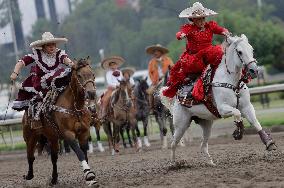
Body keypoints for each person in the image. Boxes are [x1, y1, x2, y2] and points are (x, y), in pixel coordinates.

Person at [162, 2, 230, 101]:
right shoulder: (189, 28)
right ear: (193, 19)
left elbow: (220, 29)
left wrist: (225, 31)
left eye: (203, 18)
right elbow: (181, 33)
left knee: (220, 53)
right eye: (199, 19)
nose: (202, 21)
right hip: (195, 59)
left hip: (209, 55)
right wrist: (181, 35)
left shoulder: (210, 26)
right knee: (216, 52)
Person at [10, 32, 74, 126]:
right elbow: (21, 62)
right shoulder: (37, 55)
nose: (52, 47)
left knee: (67, 78)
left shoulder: (59, 53)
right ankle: (36, 117)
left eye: (53, 44)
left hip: (57, 81)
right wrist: (15, 73)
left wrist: (73, 65)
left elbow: (67, 60)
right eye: (49, 45)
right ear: (43, 46)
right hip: (41, 84)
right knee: (40, 98)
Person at [146, 44, 174, 111]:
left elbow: (173, 69)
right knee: (150, 92)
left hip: (168, 79)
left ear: (161, 52)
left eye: (157, 51)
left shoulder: (168, 60)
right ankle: (152, 108)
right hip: (156, 81)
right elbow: (150, 73)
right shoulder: (151, 62)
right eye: (154, 51)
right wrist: (154, 81)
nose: (155, 53)